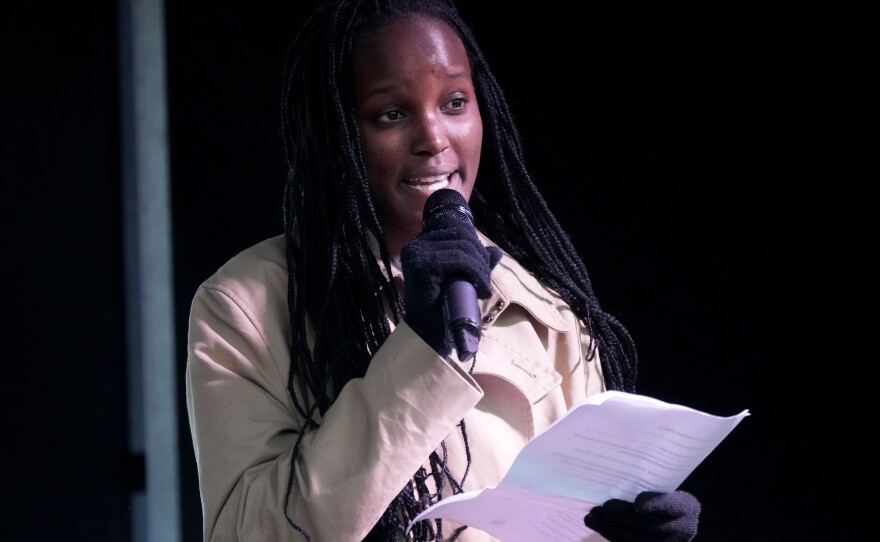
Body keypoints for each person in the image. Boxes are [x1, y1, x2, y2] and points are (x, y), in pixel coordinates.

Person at [185, 0, 702, 540]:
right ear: (334, 132)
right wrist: (421, 352)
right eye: (391, 113)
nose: (434, 138)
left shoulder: (548, 313)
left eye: (454, 102)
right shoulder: (243, 307)